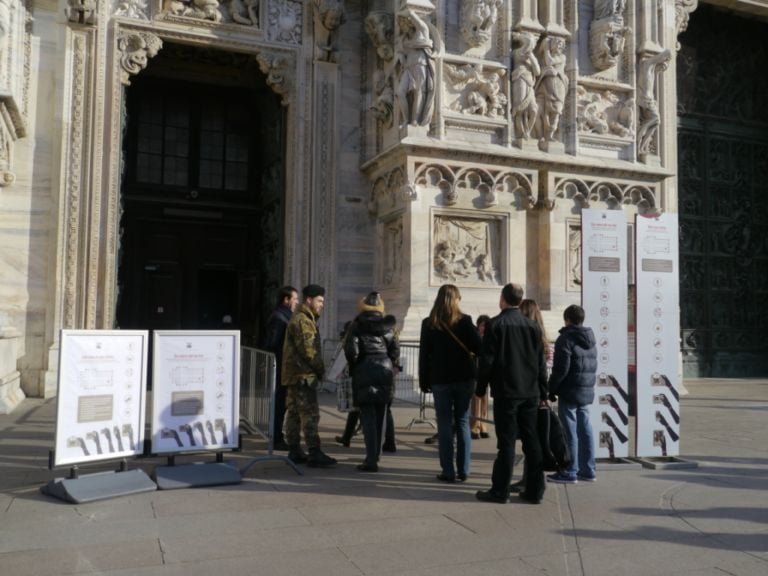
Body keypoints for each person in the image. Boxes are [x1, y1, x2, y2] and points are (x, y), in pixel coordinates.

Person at [475, 283, 548, 504]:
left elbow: (487, 361)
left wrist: (480, 388)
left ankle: (500, 490)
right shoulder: (532, 326)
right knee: (531, 441)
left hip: (507, 392)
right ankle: (535, 490)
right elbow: (540, 362)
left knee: (506, 442)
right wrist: (544, 390)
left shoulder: (495, 325)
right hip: (530, 392)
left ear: (502, 299)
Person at [419, 284, 482, 482]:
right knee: (462, 421)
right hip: (464, 378)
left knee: (444, 423)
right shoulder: (465, 321)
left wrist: (423, 380)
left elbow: (424, 355)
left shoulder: (429, 323)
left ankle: (448, 470)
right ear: (456, 300)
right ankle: (464, 469)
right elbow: (479, 348)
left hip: (440, 379)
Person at [343, 292, 400, 472]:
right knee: (381, 414)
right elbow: (395, 351)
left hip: (364, 370)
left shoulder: (356, 327)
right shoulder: (388, 328)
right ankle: (377, 455)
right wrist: (390, 363)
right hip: (384, 370)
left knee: (367, 415)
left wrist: (355, 366)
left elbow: (351, 352)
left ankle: (370, 459)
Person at [282, 284, 337, 467]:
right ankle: (314, 452)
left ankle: (295, 450)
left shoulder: (302, 318)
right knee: (310, 415)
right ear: (309, 300)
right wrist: (321, 370)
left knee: (294, 414)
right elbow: (309, 351)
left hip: (295, 375)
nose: (322, 304)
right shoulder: (303, 321)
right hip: (303, 376)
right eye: (319, 300)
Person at [547, 304, 598, 483]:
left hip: (569, 390)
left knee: (569, 432)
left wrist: (551, 389)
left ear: (567, 319)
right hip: (585, 389)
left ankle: (571, 470)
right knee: (585, 428)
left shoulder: (565, 338)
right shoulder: (591, 339)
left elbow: (561, 368)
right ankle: (589, 469)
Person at [509, 298, 551, 492]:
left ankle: (532, 481)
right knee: (531, 439)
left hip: (525, 392)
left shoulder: (526, 334)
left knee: (530, 440)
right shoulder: (540, 335)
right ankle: (529, 479)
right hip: (535, 392)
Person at [261, 286, 299, 451]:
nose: (296, 302)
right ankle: (276, 437)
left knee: (282, 402)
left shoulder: (284, 316)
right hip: (281, 366)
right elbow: (273, 343)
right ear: (286, 299)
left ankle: (277, 435)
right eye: (295, 298)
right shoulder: (279, 317)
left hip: (283, 366)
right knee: (279, 403)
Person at [470, 314, 491, 440]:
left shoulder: (488, 338)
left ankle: (483, 425)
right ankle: (474, 426)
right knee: (475, 401)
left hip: (485, 373)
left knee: (484, 402)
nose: (483, 328)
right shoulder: (475, 338)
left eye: (485, 326)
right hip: (476, 372)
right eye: (482, 325)